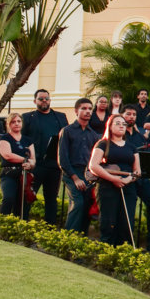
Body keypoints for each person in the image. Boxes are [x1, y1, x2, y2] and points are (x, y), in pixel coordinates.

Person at [89, 114, 141, 246]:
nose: (121, 126)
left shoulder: (131, 147)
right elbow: (93, 166)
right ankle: (106, 254)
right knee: (108, 222)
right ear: (110, 126)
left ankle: (123, 255)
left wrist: (127, 180)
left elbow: (137, 171)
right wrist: (113, 179)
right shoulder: (102, 144)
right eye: (117, 123)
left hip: (128, 187)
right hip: (107, 187)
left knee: (126, 223)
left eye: (124, 124)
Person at [23, 89, 69, 225]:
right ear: (34, 101)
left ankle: (50, 228)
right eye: (41, 99)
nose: (44, 101)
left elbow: (65, 139)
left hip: (54, 164)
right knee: (29, 195)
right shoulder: (27, 117)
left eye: (46, 99)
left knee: (51, 198)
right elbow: (23, 139)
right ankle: (22, 223)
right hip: (36, 163)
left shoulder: (60, 117)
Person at [122, 106, 150, 253]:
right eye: (128, 114)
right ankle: (128, 243)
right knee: (130, 210)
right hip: (126, 179)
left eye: (134, 114)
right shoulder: (119, 135)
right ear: (122, 116)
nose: (131, 117)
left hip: (142, 178)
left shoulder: (141, 137)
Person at [58, 97, 101, 233]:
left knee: (87, 205)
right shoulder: (67, 131)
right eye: (84, 108)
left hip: (88, 174)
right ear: (76, 111)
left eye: (90, 109)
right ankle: (68, 237)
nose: (87, 111)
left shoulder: (93, 135)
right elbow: (62, 159)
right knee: (78, 204)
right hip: (71, 173)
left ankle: (82, 237)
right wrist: (75, 178)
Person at [0, 113, 35, 220]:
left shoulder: (28, 140)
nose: (16, 124)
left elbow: (33, 159)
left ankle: (20, 226)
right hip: (9, 174)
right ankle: (2, 223)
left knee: (23, 203)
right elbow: (7, 155)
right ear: (8, 124)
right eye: (13, 122)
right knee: (8, 198)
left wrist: (31, 164)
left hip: (24, 175)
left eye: (19, 121)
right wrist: (25, 160)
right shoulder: (4, 138)